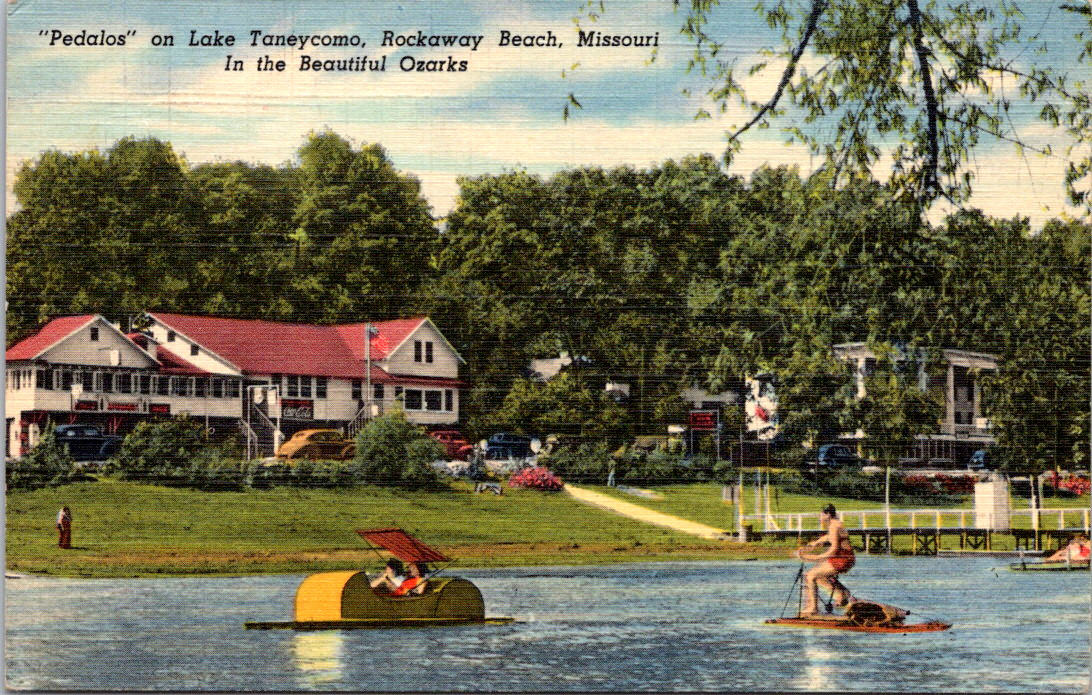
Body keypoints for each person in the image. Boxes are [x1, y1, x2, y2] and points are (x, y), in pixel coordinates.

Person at [795, 503, 855, 617]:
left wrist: (812, 557)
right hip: (845, 557)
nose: (820, 517)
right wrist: (816, 542)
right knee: (817, 575)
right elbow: (830, 537)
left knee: (811, 576)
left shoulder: (833, 526)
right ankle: (843, 594)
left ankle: (813, 608)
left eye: (821, 514)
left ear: (827, 514)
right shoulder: (837, 523)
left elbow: (833, 550)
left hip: (841, 559)